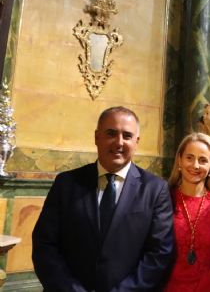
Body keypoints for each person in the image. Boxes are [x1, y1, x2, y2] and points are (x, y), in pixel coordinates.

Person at [32, 106, 174, 291]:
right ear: (97, 137)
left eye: (127, 136)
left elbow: (159, 254)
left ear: (136, 142)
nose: (119, 142)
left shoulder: (155, 189)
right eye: (111, 133)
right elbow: (45, 245)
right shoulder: (66, 183)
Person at [165, 133, 210, 291]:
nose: (195, 165)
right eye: (189, 158)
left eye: (203, 160)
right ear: (179, 160)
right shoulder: (163, 199)